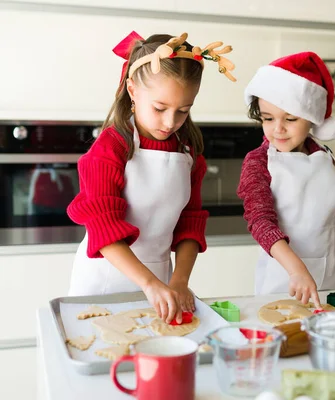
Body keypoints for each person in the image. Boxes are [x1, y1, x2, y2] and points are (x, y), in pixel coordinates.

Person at [67, 31, 236, 324]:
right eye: (159, 108)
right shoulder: (111, 148)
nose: (171, 122)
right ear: (133, 90)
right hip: (105, 282)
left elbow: (189, 223)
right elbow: (103, 227)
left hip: (161, 283)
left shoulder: (188, 153)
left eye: (184, 111)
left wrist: (179, 280)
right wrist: (148, 283)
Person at [237, 52, 335, 307]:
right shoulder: (258, 162)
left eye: (290, 119)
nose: (277, 128)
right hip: (283, 279)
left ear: (313, 119)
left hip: (329, 274)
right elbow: (260, 222)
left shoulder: (324, 156)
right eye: (268, 118)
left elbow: (321, 214)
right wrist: (295, 270)